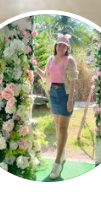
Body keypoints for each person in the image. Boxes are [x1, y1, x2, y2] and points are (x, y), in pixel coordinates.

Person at [35, 33, 78, 179]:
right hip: (53, 93)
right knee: (57, 126)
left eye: (64, 45)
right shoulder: (50, 59)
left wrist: (70, 100)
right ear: (56, 46)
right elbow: (46, 76)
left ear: (67, 48)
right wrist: (36, 69)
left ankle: (57, 162)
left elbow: (72, 81)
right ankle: (63, 153)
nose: (61, 47)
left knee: (63, 128)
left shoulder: (70, 60)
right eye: (59, 44)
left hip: (65, 94)